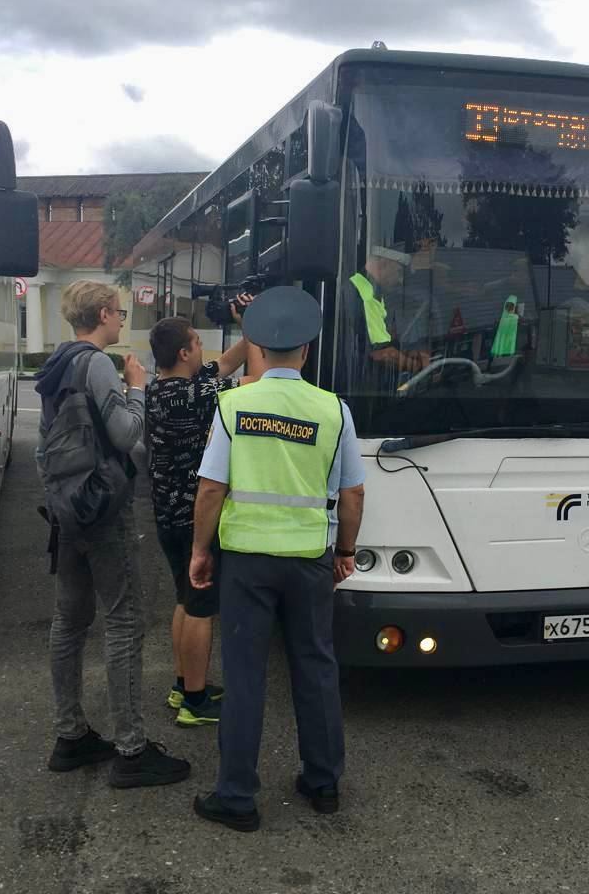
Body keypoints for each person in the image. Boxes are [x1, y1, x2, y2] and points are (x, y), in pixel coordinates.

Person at [187, 286, 366, 832]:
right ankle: (323, 783)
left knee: (243, 677)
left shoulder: (233, 405)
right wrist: (345, 552)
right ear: (307, 352)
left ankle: (237, 797)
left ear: (257, 348)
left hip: (246, 562)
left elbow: (212, 489)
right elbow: (353, 495)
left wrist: (200, 550)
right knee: (315, 668)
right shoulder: (333, 410)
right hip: (310, 559)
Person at [34, 281, 190, 790]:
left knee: (71, 621)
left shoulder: (58, 361)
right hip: (102, 509)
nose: (122, 320)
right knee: (125, 622)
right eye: (120, 312)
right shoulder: (98, 363)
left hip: (67, 508)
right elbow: (125, 434)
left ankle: (71, 735)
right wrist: (138, 387)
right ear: (102, 314)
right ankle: (131, 749)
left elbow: (45, 443)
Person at [145, 295, 252, 728]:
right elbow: (255, 383)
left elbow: (227, 363)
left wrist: (248, 327)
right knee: (202, 608)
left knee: (184, 600)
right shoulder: (195, 395)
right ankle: (195, 700)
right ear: (185, 352)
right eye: (196, 341)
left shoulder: (161, 389)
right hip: (195, 519)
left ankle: (182, 682)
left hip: (167, 516)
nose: (203, 348)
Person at [344, 245, 430, 383]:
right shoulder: (366, 293)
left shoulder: (367, 287)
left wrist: (408, 352)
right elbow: (381, 353)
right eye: (399, 272)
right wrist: (419, 367)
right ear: (384, 264)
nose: (400, 280)